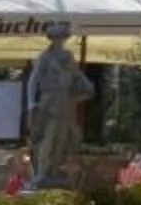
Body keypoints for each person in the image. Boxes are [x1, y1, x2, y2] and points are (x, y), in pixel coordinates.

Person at [23, 24, 94, 191]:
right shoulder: (45, 57)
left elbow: (77, 75)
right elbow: (33, 81)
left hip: (65, 102)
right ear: (53, 38)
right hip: (49, 102)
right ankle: (42, 171)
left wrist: (87, 85)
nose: (60, 40)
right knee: (48, 138)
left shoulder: (68, 56)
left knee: (62, 139)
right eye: (58, 37)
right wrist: (31, 103)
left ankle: (53, 170)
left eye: (62, 37)